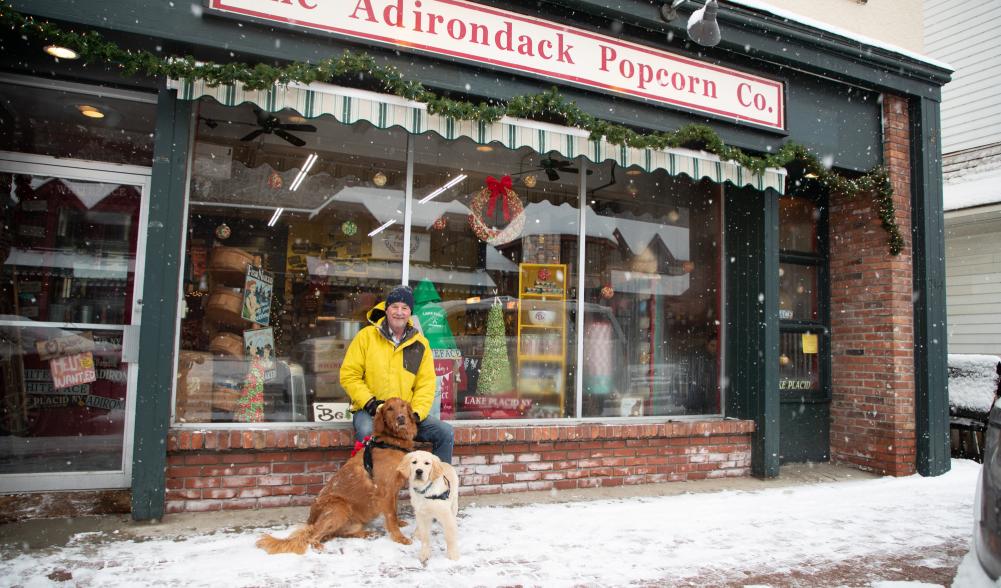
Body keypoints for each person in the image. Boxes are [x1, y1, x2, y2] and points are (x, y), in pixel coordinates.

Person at [340, 284, 454, 463]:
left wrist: (415, 414)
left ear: (410, 312)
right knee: (366, 433)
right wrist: (370, 403)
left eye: (405, 308)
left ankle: (438, 487)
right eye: (394, 307)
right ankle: (370, 485)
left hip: (404, 414)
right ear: (386, 309)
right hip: (370, 411)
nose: (399, 312)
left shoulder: (420, 344)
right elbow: (349, 375)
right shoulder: (366, 337)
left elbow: (426, 384)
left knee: (445, 433)